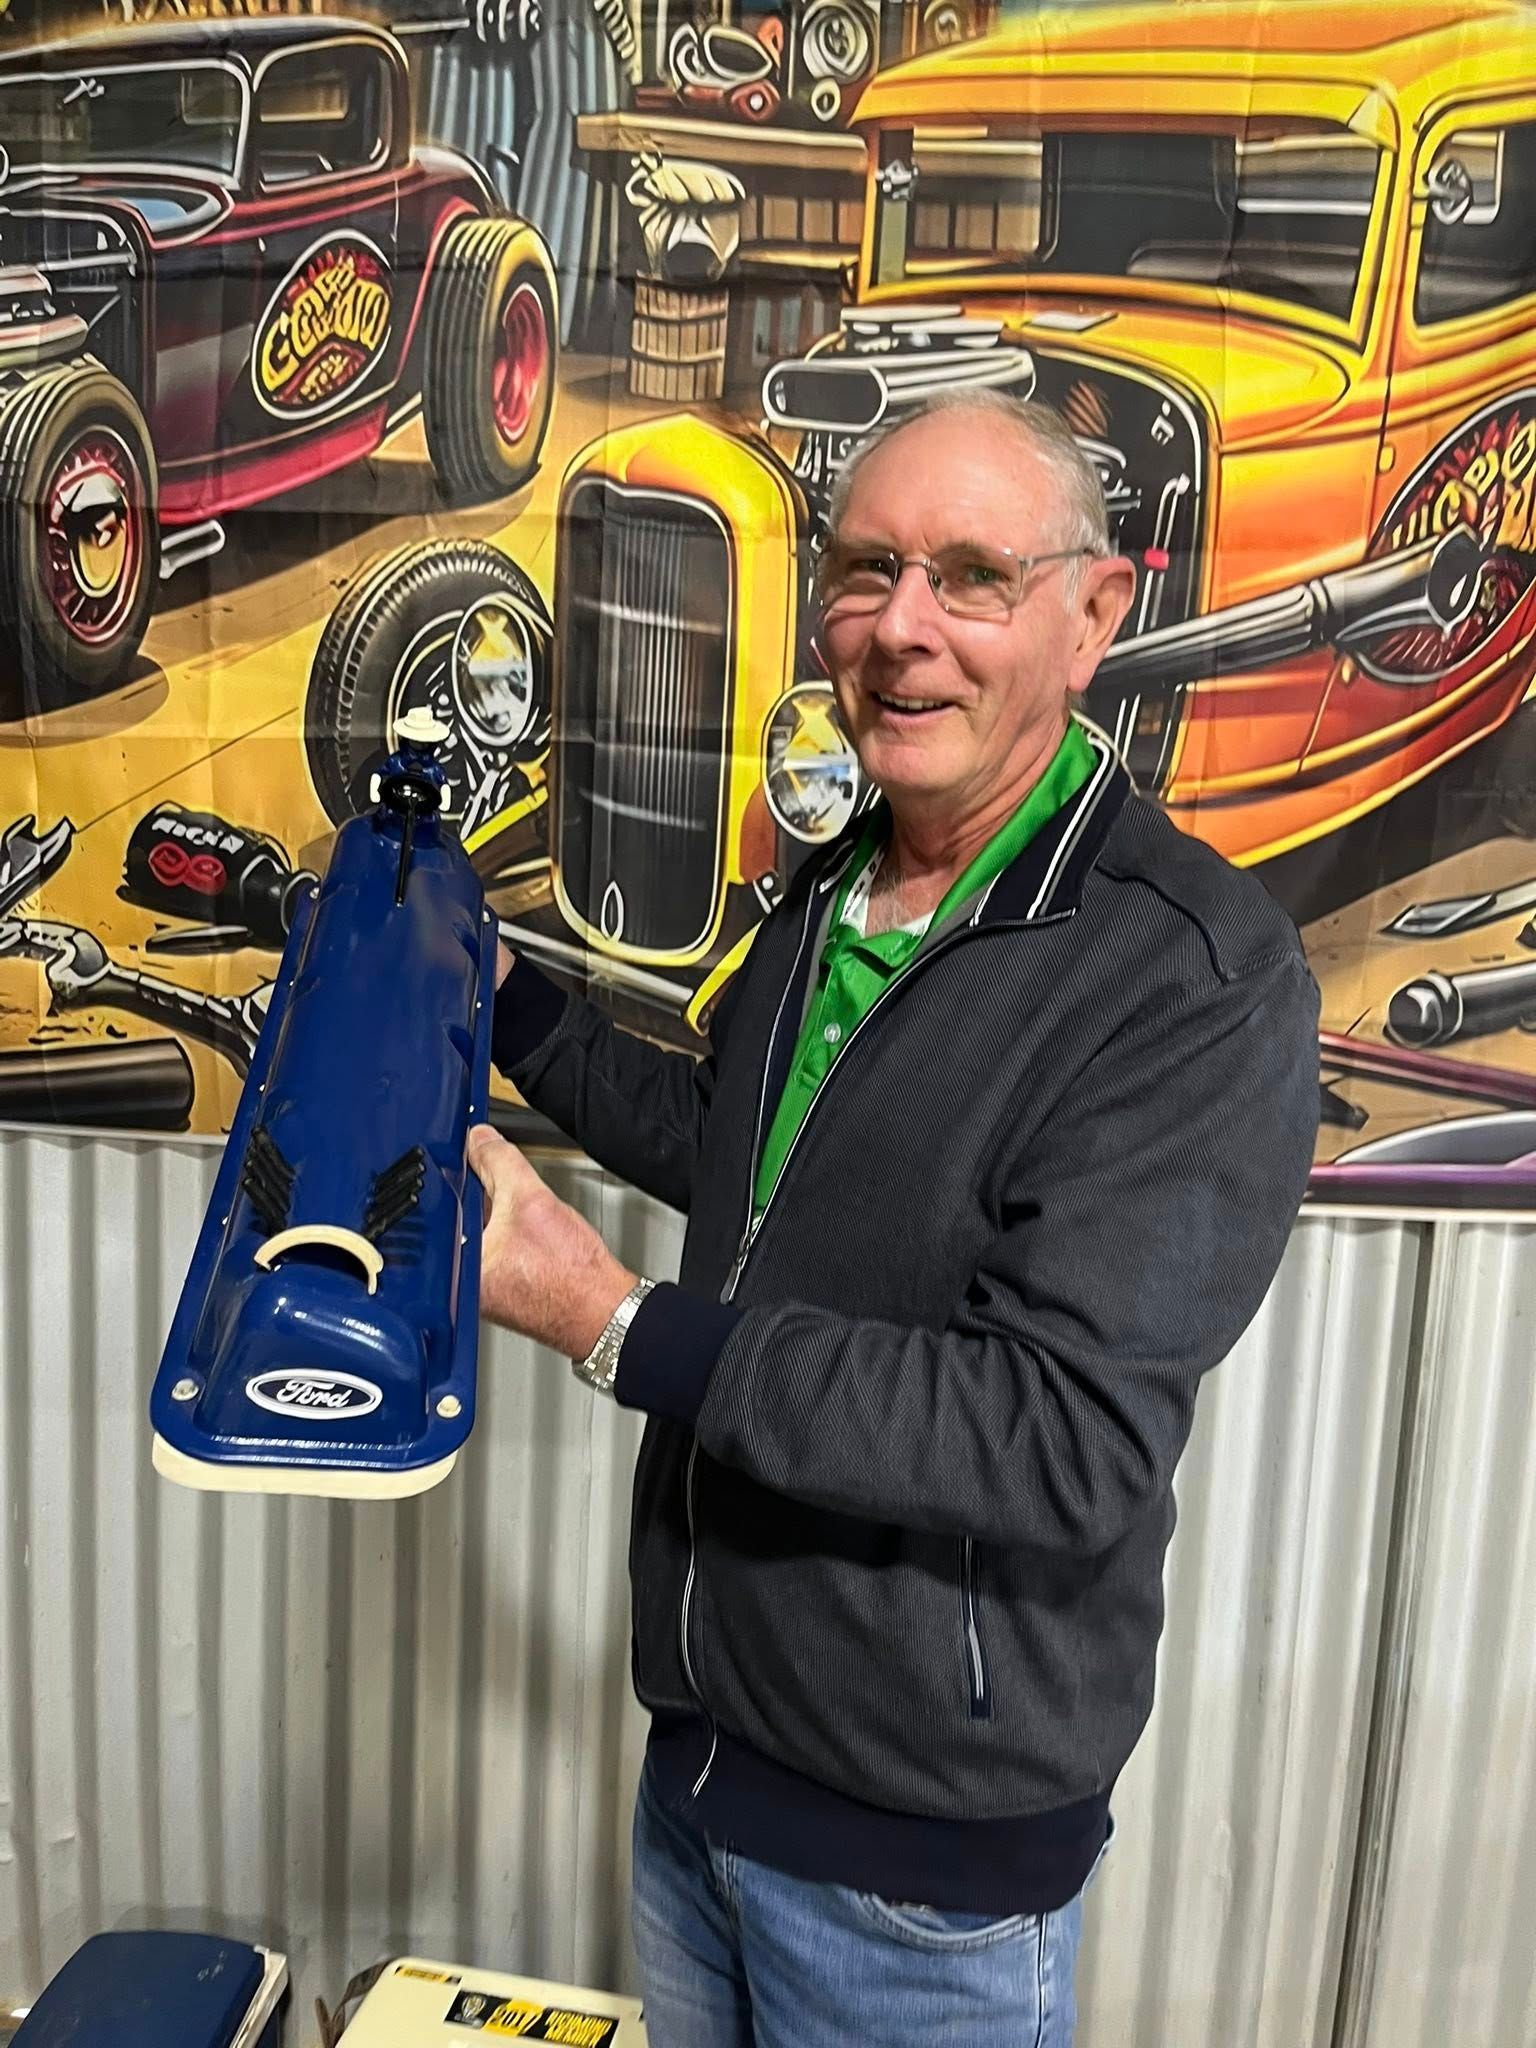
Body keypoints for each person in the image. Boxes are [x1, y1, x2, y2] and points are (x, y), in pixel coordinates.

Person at [467, 391, 1321, 2046]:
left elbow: (1053, 1439)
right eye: (867, 572)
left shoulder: (1190, 979)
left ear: (1093, 616)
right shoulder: (840, 883)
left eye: (972, 575)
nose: (901, 629)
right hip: (704, 1782)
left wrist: (612, 1325)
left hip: (917, 1877)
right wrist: (517, 1013)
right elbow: (742, 1152)